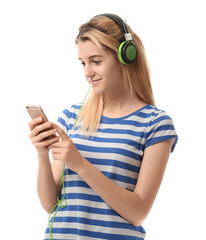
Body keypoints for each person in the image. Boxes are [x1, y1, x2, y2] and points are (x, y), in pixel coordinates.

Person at [28, 13, 178, 240]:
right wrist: (41, 155)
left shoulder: (155, 124)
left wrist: (80, 164)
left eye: (96, 61)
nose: (88, 72)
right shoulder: (71, 117)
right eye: (83, 63)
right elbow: (51, 205)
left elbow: (137, 213)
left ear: (126, 57)